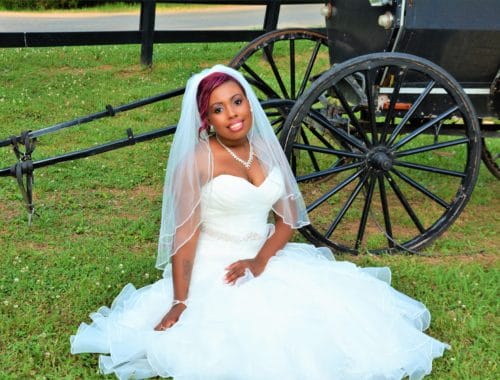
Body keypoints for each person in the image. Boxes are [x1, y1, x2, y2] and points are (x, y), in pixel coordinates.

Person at [71, 65, 449, 380]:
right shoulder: (198, 162)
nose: (233, 114)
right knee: (253, 337)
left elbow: (287, 220)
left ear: (249, 104)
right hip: (215, 266)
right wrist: (180, 300)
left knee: (327, 323)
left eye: (237, 102)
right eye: (219, 109)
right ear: (206, 119)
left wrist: (260, 260)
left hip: (263, 255)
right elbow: (184, 236)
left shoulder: (265, 148)